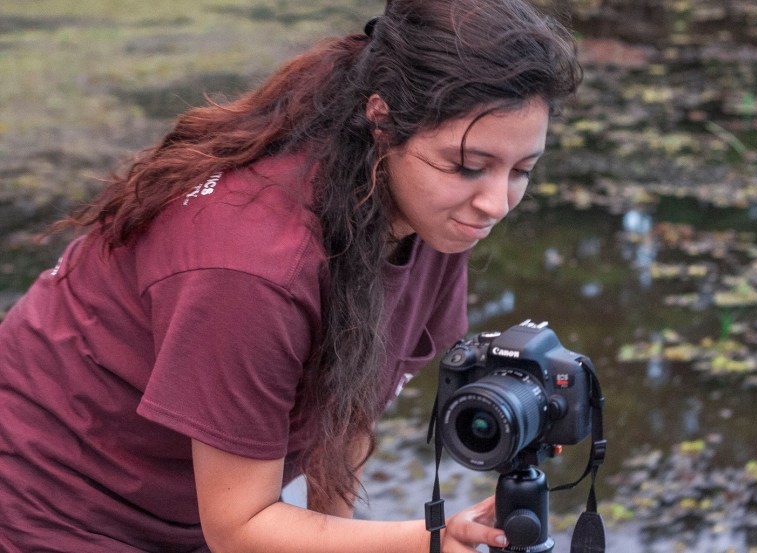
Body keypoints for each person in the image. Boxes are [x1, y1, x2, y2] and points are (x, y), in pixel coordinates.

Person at [0, 0, 581, 551]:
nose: (495, 204)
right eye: (469, 166)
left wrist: (341, 532)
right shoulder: (252, 267)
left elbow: (348, 409)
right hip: (49, 504)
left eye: (521, 171)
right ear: (382, 121)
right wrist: (431, 539)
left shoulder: (433, 213)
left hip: (191, 511)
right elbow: (239, 529)